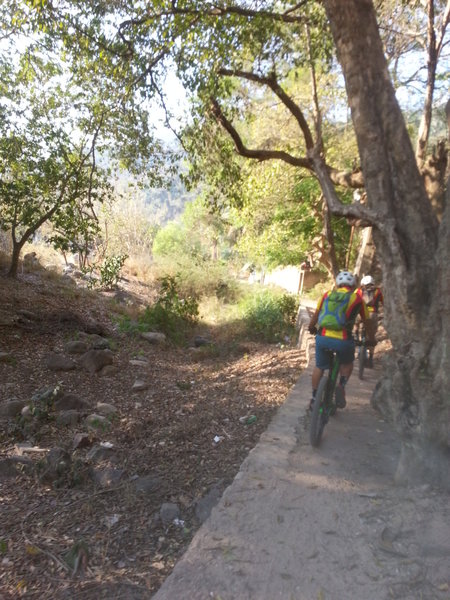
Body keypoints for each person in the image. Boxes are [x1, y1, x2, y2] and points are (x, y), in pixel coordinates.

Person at [308, 270, 375, 410]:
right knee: (348, 364)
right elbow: (367, 322)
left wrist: (311, 328)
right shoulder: (357, 299)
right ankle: (341, 385)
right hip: (343, 341)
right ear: (353, 285)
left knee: (319, 367)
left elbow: (315, 317)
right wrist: (371, 339)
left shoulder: (327, 295)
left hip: (323, 338)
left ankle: (314, 398)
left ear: (338, 284)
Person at [358, 275, 383, 368]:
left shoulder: (359, 291)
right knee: (371, 336)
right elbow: (384, 302)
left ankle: (359, 345)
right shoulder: (378, 291)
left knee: (357, 328)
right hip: (373, 315)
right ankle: (371, 359)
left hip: (361, 315)